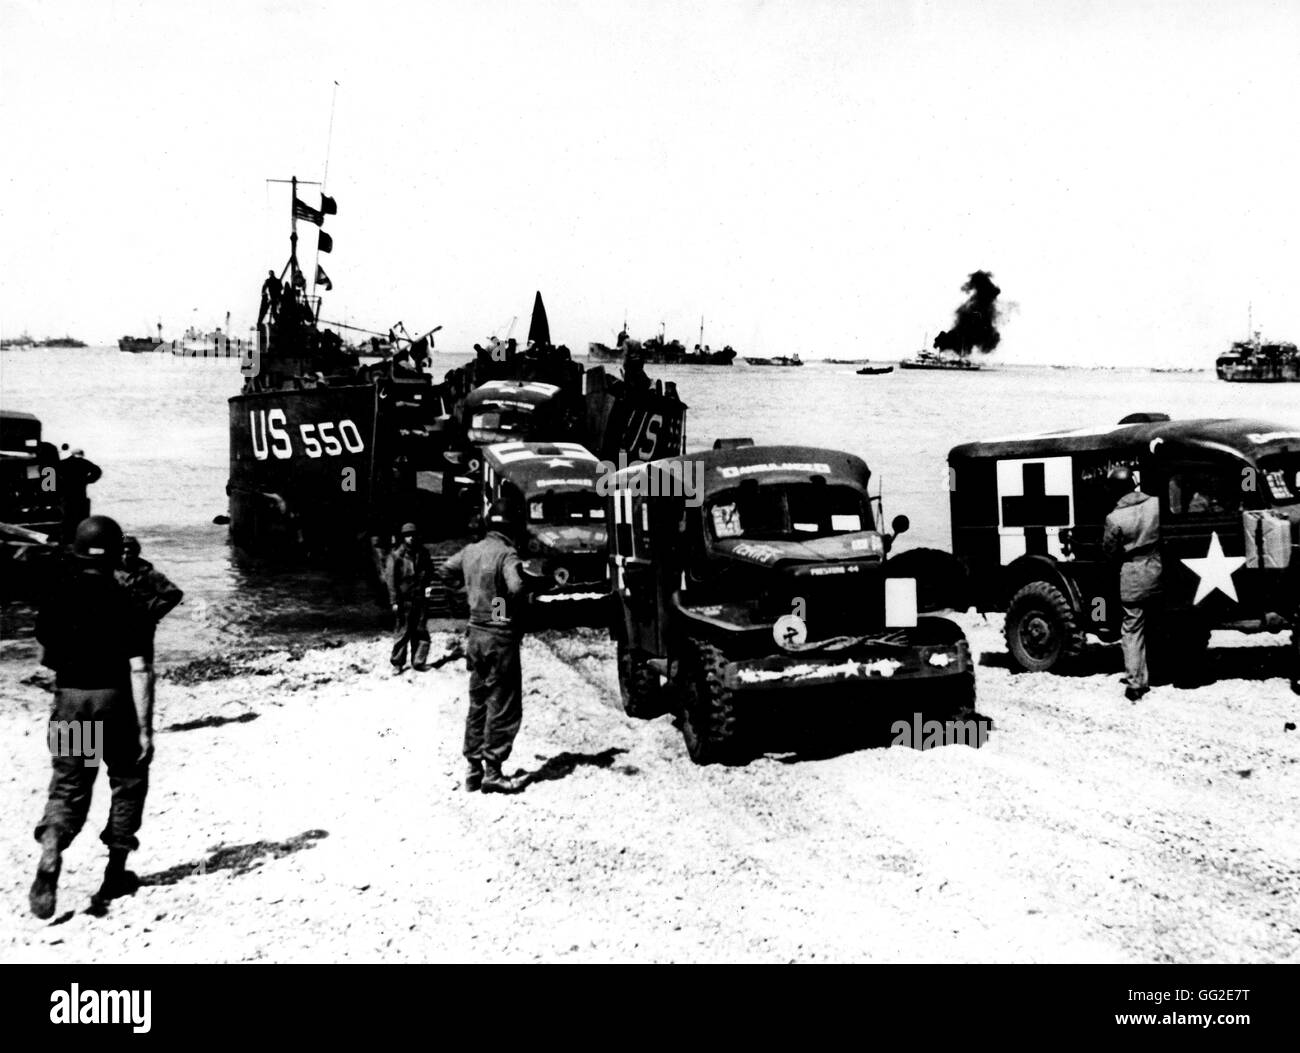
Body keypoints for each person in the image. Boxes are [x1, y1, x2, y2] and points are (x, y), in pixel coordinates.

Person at [30, 516, 154, 919]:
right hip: (115, 700)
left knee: (68, 784)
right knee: (128, 778)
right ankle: (115, 872)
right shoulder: (129, 598)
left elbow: (47, 656)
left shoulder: (56, 596)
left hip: (70, 700)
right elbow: (140, 668)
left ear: (77, 550)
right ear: (118, 552)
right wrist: (145, 729)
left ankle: (52, 840)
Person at [440, 499, 547, 794]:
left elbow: (447, 572)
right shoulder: (507, 554)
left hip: (475, 633)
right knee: (503, 703)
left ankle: (473, 768)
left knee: (478, 701)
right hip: (500, 635)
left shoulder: (471, 551)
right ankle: (493, 770)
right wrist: (535, 585)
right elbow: (514, 589)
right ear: (511, 528)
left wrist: (468, 596)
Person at [1102, 465, 1162, 701]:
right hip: (1158, 572)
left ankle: (1136, 683)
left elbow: (1109, 552)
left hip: (1132, 578)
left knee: (1132, 630)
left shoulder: (1114, 518)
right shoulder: (1156, 504)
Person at [115, 535, 185, 658]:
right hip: (117, 627)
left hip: (142, 628)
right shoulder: (113, 572)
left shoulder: (149, 574)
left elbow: (174, 594)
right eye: (123, 552)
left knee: (143, 664)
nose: (126, 556)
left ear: (136, 553)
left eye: (130, 553)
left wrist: (152, 613)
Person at [385, 522, 432, 672]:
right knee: (402, 631)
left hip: (420, 597)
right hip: (404, 599)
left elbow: (430, 570)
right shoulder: (396, 556)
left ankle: (419, 661)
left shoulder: (423, 553)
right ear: (403, 537)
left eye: (413, 534)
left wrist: (428, 585)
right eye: (407, 535)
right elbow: (391, 580)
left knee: (421, 630)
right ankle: (398, 663)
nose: (410, 538)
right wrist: (394, 601)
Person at [55, 447, 102, 543]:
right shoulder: (85, 463)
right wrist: (88, 480)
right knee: (80, 517)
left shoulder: (62, 463)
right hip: (80, 495)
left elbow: (50, 472)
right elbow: (97, 471)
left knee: (67, 518)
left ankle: (66, 539)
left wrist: (57, 485)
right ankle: (79, 538)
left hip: (66, 495)